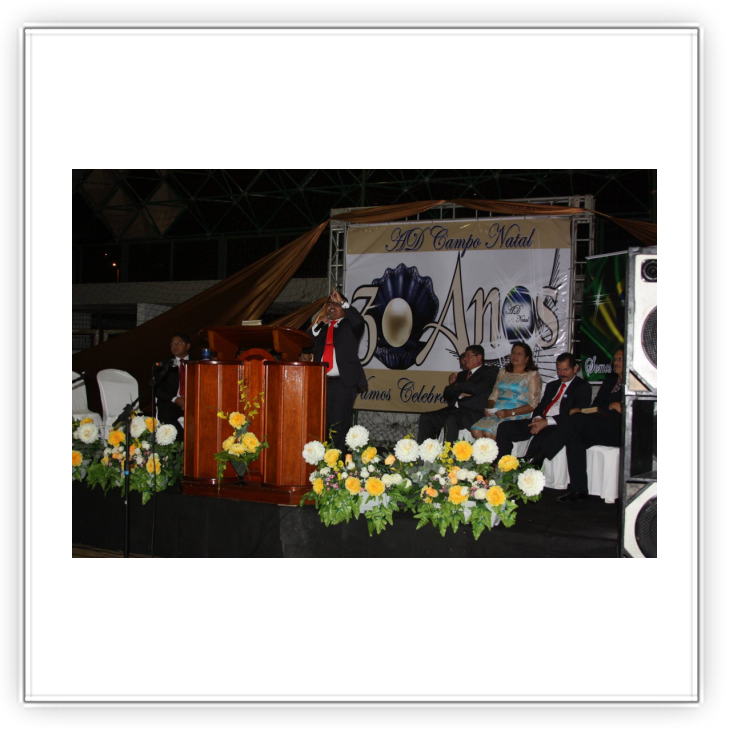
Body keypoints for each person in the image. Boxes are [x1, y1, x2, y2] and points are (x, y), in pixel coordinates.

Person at [527, 348, 625, 503]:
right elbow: (596, 406)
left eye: (620, 359)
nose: (616, 362)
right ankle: (578, 489)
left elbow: (630, 411)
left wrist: (616, 406)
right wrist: (610, 406)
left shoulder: (634, 385)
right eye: (615, 359)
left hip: (620, 430)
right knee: (574, 432)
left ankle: (539, 455)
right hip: (601, 424)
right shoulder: (610, 382)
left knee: (576, 420)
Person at [495, 352, 592, 458]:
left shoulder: (582, 387)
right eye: (559, 369)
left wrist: (547, 422)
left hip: (558, 424)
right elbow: (541, 406)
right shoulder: (552, 385)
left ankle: (527, 464)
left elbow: (575, 414)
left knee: (539, 441)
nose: (562, 373)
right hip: (540, 420)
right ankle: (503, 462)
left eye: (565, 369)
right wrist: (537, 418)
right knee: (505, 428)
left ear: (575, 369)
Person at [305, 289, 367, 452]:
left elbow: (359, 321)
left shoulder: (350, 325)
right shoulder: (322, 328)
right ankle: (321, 460)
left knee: (338, 426)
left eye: (336, 304)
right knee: (320, 425)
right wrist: (318, 324)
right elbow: (305, 343)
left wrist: (343, 302)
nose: (331, 307)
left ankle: (337, 462)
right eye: (329, 304)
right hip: (321, 383)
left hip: (343, 383)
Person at [417, 345, 498, 444]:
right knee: (426, 418)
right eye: (465, 356)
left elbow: (475, 388)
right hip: (454, 409)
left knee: (451, 418)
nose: (465, 359)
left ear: (479, 357)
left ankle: (448, 452)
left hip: (472, 412)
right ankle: (425, 451)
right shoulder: (462, 375)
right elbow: (447, 392)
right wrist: (459, 393)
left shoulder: (489, 371)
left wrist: (456, 386)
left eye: (468, 355)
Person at [470, 342, 542, 440]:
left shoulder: (532, 375)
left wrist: (510, 412)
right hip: (497, 413)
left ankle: (497, 450)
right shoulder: (503, 372)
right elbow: (493, 396)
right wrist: (490, 409)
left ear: (527, 358)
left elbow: (533, 404)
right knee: (475, 430)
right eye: (513, 353)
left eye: (519, 354)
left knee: (487, 432)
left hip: (516, 414)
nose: (515, 356)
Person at [155, 332, 191, 443]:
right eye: (172, 344)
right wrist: (175, 399)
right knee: (165, 414)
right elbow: (157, 389)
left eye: (179, 343)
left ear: (188, 346)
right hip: (173, 402)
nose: (175, 346)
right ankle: (183, 444)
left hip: (193, 403)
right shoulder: (165, 365)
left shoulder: (197, 364)